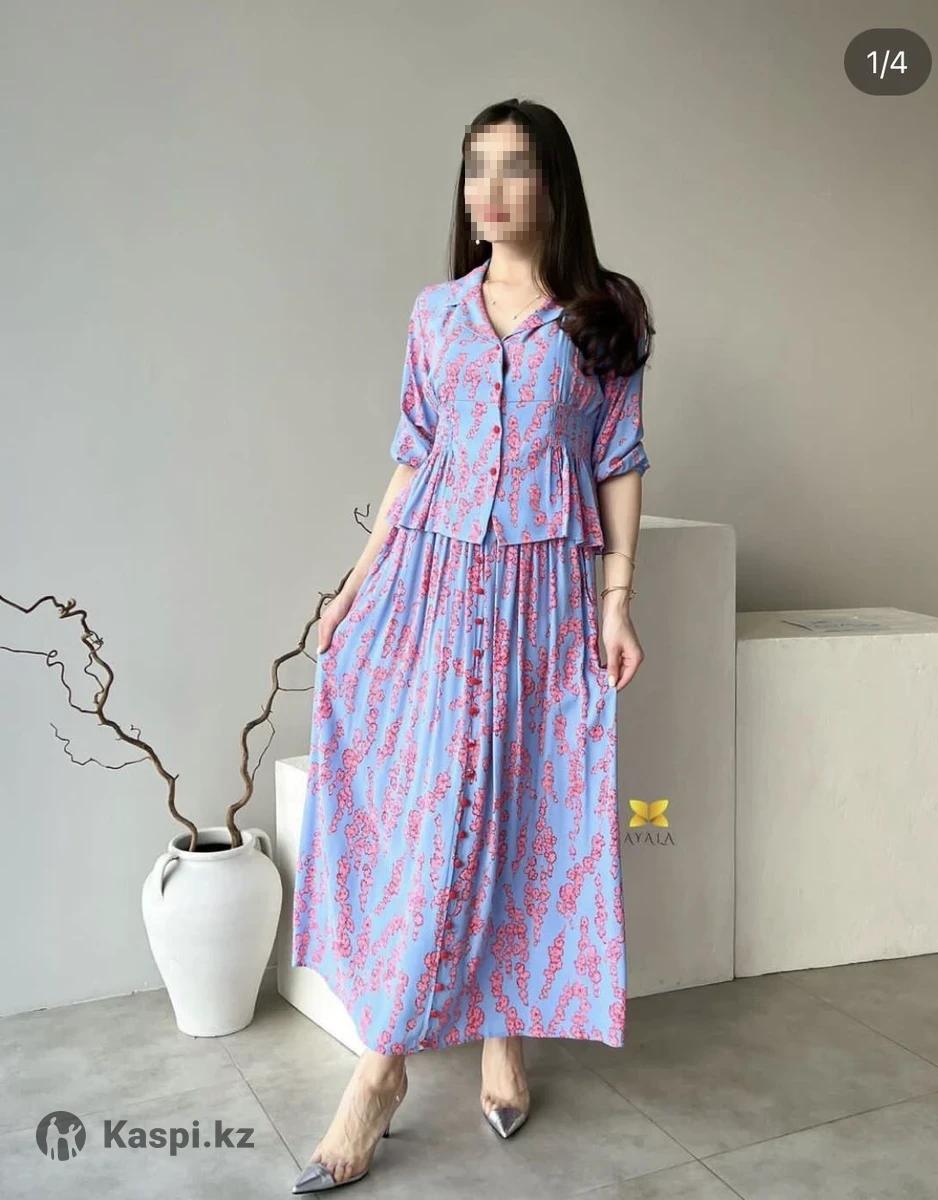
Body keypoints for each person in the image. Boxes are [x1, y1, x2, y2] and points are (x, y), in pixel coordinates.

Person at [291, 97, 654, 1192]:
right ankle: (381, 1070)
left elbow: (619, 459)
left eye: (513, 169)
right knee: (436, 813)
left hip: (544, 596)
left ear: (553, 185)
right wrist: (352, 589)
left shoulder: (603, 315)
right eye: (474, 169)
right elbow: (414, 456)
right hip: (434, 589)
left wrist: (616, 601)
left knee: (527, 809)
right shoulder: (435, 315)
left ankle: (505, 1035)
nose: (488, 192)